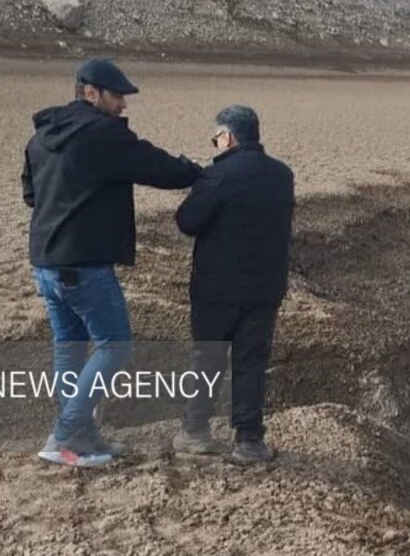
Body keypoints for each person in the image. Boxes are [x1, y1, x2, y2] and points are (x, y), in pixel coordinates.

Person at [22, 57, 200, 468]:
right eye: (117, 95)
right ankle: (64, 435)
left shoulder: (40, 137)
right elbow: (154, 165)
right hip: (82, 264)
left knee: (69, 347)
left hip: (45, 261)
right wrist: (196, 173)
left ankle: (80, 434)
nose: (123, 104)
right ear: (90, 92)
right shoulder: (99, 134)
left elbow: (31, 194)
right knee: (114, 344)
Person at [172, 105, 294, 465]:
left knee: (207, 358)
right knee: (252, 362)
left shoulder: (218, 175)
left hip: (217, 289)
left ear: (228, 136)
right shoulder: (282, 175)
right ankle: (249, 439)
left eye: (216, 137)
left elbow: (188, 221)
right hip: (265, 288)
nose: (215, 144)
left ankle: (195, 431)